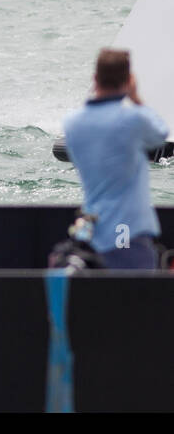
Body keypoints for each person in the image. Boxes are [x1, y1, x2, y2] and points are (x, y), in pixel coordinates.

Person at [62, 49, 169, 270]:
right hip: (128, 231)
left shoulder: (72, 123)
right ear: (128, 81)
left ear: (94, 78)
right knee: (138, 299)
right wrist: (136, 98)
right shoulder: (133, 119)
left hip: (93, 232)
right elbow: (161, 133)